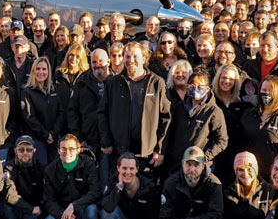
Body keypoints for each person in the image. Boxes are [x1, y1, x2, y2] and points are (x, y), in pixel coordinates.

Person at [97, 42, 171, 176]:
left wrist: (160, 150)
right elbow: (103, 114)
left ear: (144, 58)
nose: (131, 61)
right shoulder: (113, 83)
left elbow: (165, 118)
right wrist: (106, 142)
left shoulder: (156, 83)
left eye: (135, 57)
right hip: (119, 151)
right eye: (127, 56)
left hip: (147, 154)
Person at [42, 134, 101, 219]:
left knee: (92, 209)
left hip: (82, 210)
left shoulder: (88, 164)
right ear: (58, 150)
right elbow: (48, 200)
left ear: (78, 150)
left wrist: (74, 205)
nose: (67, 152)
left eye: (71, 148)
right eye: (63, 149)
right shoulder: (51, 169)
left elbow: (95, 192)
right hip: (63, 212)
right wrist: (61, 214)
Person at [163, 70, 228, 172]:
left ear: (207, 88)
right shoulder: (179, 107)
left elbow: (222, 141)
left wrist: (203, 158)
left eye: (199, 85)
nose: (195, 88)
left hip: (199, 167)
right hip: (176, 164)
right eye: (192, 85)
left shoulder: (214, 111)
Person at [237, 76, 278, 180]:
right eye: (264, 90)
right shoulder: (248, 114)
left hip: (272, 177)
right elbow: (238, 142)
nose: (266, 93)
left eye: (271, 91)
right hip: (247, 175)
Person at [68, 48, 111, 184]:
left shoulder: (116, 81)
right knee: (88, 179)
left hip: (109, 143)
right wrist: (79, 138)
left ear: (108, 62)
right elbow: (72, 111)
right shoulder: (82, 82)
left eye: (101, 61)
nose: (98, 64)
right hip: (87, 141)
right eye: (94, 62)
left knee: (106, 179)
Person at [1, 135, 46, 219]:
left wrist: (40, 218)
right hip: (19, 205)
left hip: (34, 205)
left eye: (29, 149)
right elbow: (10, 196)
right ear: (15, 151)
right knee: (7, 205)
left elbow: (47, 195)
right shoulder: (9, 167)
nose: (25, 152)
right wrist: (31, 209)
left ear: (34, 151)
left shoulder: (41, 167)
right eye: (21, 149)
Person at [21, 56, 62, 166]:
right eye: (38, 69)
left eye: (44, 69)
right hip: (37, 139)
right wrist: (45, 135)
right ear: (33, 71)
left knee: (55, 169)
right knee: (42, 169)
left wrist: (53, 134)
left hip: (53, 139)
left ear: (48, 71)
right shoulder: (27, 92)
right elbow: (30, 118)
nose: (41, 72)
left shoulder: (54, 90)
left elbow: (60, 112)